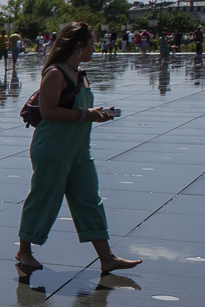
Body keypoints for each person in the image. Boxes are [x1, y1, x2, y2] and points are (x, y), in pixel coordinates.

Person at [14, 22, 141, 276]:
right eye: (92, 44)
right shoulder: (56, 73)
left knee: (90, 201)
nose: (95, 48)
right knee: (44, 199)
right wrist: (86, 114)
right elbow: (49, 112)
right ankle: (24, 251)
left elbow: (79, 112)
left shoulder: (80, 73)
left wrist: (97, 115)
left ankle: (107, 258)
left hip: (79, 150)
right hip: (53, 149)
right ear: (79, 46)